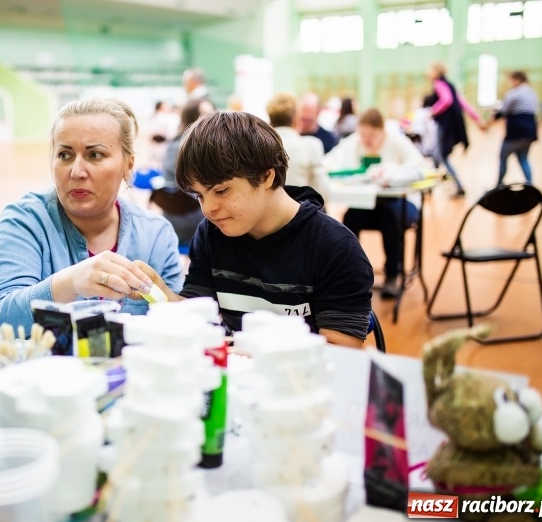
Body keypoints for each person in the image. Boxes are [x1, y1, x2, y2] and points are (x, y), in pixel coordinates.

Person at [133, 112, 374, 348]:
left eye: (221, 191)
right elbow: (197, 311)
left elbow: (341, 353)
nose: (208, 209)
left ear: (266, 176)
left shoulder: (335, 248)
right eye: (199, 195)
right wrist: (160, 292)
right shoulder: (211, 234)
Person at [0, 97, 183, 332]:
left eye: (94, 155)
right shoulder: (25, 221)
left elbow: (180, 327)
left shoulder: (156, 234)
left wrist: (165, 298)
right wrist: (68, 283)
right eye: (65, 155)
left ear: (128, 165)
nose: (76, 171)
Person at [326, 109, 425, 299]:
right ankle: (351, 273)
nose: (367, 140)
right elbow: (328, 162)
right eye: (363, 135)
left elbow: (420, 166)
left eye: (372, 136)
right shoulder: (353, 142)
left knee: (390, 219)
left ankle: (393, 274)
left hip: (400, 205)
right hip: (368, 203)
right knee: (349, 219)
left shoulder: (397, 142)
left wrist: (395, 174)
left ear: (383, 132)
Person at [150, 98, 215, 247]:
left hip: (174, 218)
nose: (212, 120)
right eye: (206, 115)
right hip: (189, 217)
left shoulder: (174, 143)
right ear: (193, 118)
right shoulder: (190, 147)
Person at [426, 61, 485, 197]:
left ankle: (458, 185)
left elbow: (447, 100)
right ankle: (429, 185)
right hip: (451, 127)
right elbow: (463, 104)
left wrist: (432, 111)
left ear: (436, 71)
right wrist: (477, 120)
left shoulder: (439, 84)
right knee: (437, 155)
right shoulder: (450, 85)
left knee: (442, 157)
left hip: (444, 126)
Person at [266, 92, 327, 195]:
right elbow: (323, 192)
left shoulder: (259, 146)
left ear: (270, 119)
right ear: (296, 119)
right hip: (300, 208)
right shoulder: (311, 145)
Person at [489, 71, 538, 186]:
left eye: (511, 81)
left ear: (517, 80)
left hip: (516, 132)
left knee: (503, 157)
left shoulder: (513, 93)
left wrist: (490, 121)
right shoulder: (532, 93)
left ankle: (498, 185)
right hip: (530, 132)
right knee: (523, 158)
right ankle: (530, 185)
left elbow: (504, 111)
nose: (510, 83)